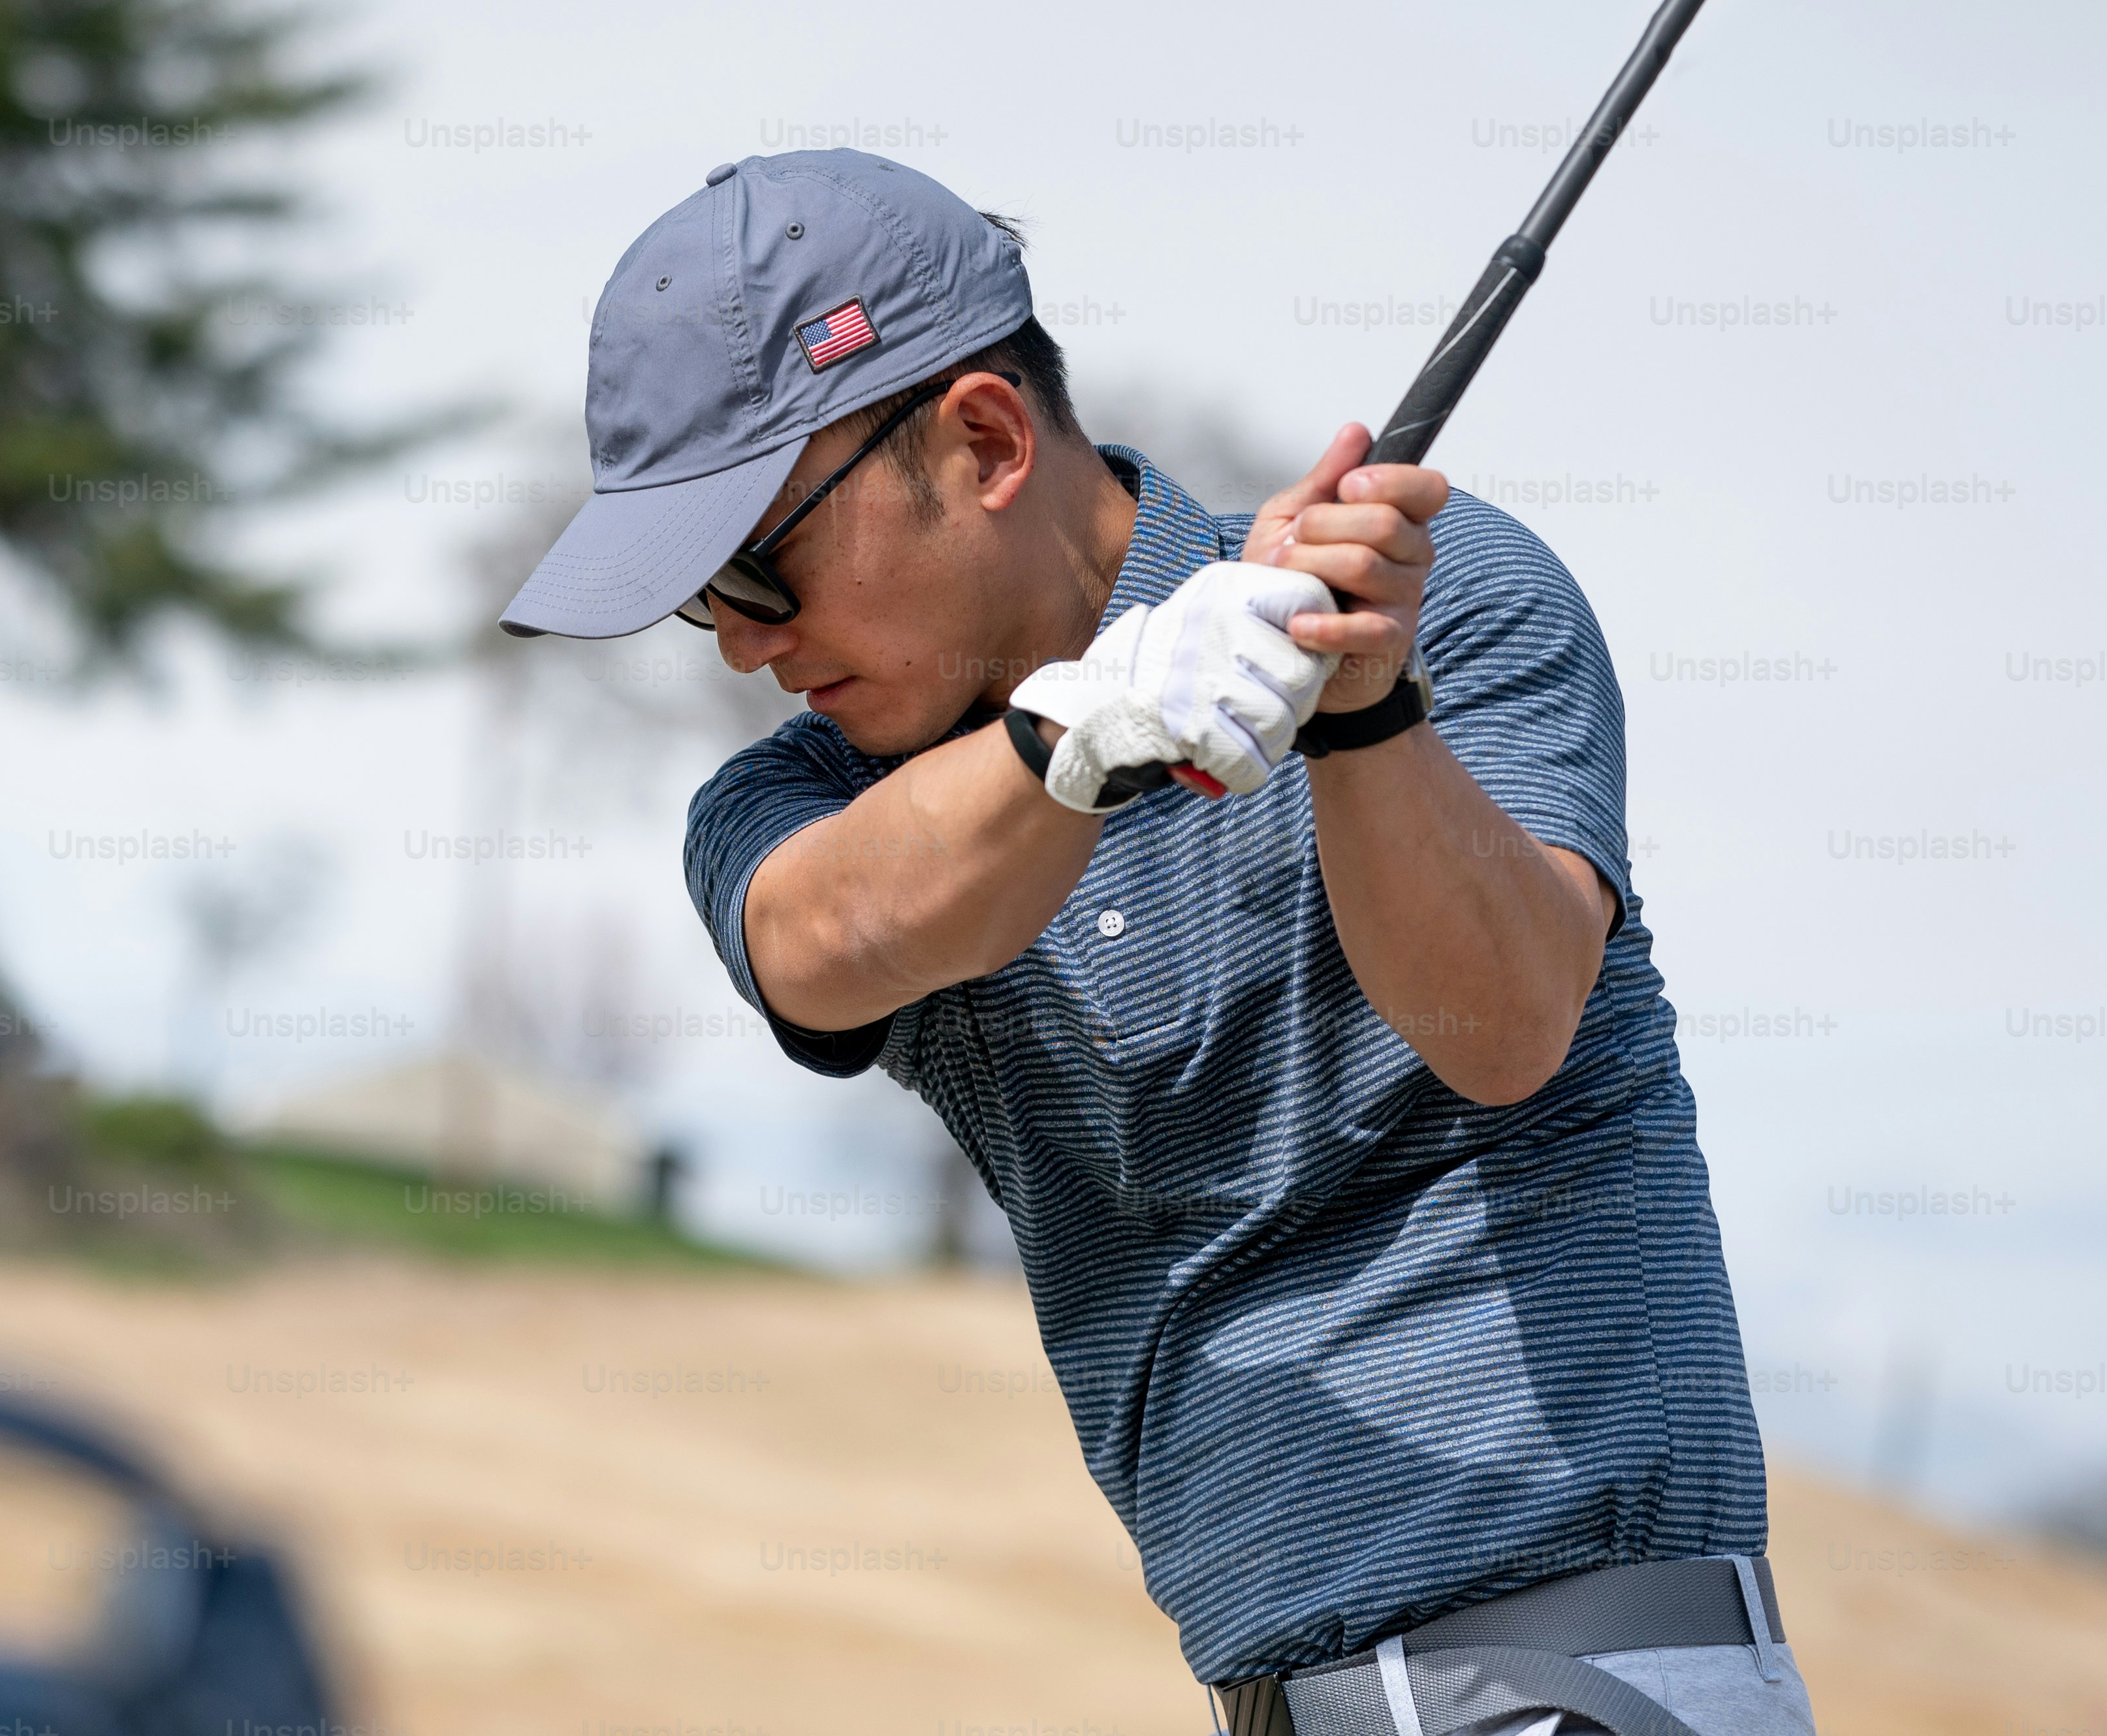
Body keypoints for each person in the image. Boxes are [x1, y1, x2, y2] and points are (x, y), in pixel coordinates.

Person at [499, 149, 1805, 1736]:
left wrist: (1363, 708)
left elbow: (1506, 1019)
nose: (749, 641)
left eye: (758, 563)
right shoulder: (798, 799)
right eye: (706, 600)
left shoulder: (1432, 611)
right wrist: (1090, 726)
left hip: (1571, 1679)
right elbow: (825, 932)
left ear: (981, 438)